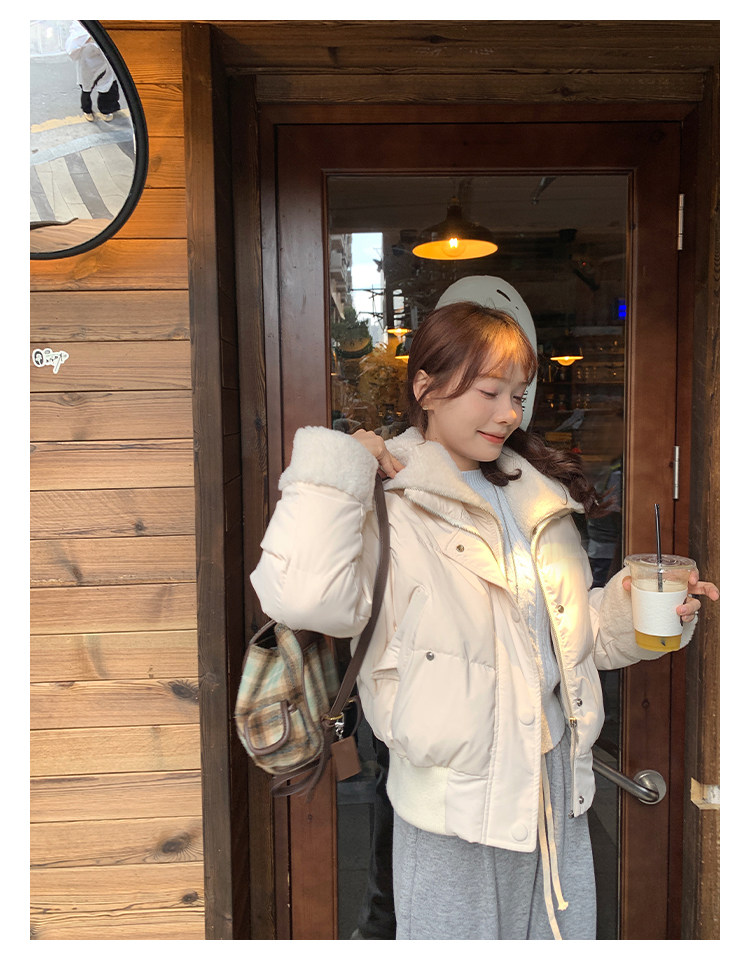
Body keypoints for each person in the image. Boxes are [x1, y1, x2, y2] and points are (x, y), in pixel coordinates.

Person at [250, 300, 719, 940]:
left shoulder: (534, 494)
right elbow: (301, 598)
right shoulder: (389, 493)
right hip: (455, 802)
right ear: (426, 388)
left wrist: (635, 608)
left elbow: (568, 643)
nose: (509, 413)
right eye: (490, 392)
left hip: (555, 787)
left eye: (518, 395)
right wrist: (341, 464)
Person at [66, 23, 120, 122]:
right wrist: (88, 38)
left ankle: (105, 110)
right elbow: (72, 47)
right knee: (86, 89)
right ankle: (87, 110)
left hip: (104, 62)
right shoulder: (79, 25)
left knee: (107, 87)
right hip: (87, 64)